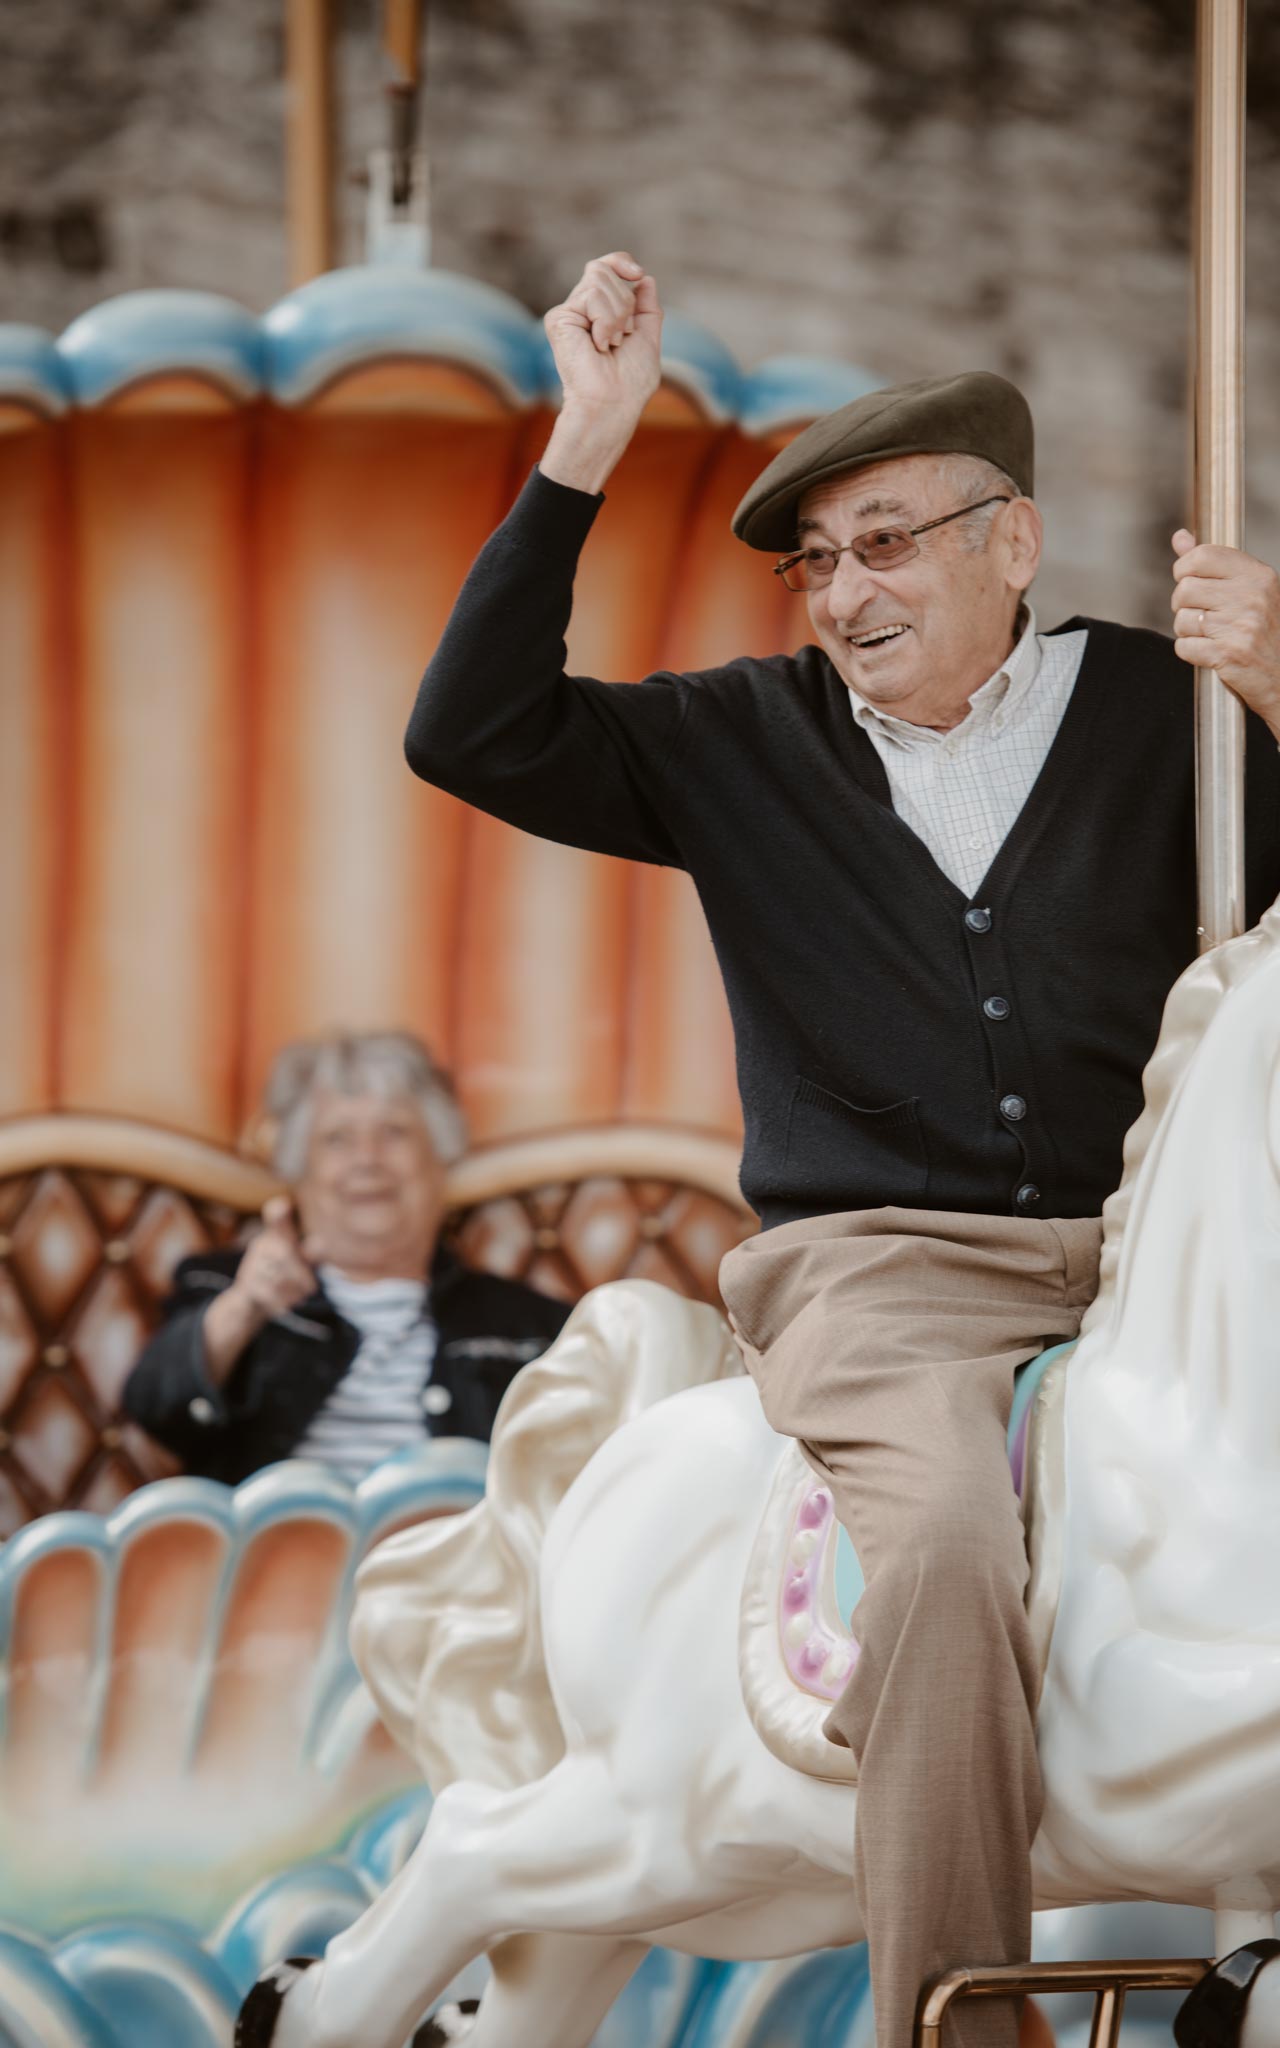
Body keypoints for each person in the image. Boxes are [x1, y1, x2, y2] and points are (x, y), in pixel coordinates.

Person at [396, 251, 1280, 2048]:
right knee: (949, 1538)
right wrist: (585, 443)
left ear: (1010, 544)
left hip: (1146, 1250)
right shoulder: (740, 738)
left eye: (889, 541)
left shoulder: (1162, 710)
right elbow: (467, 730)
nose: (843, 589)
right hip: (882, 1268)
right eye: (820, 559)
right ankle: (958, 2023)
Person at [123, 1031, 569, 1486]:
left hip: (450, 1552)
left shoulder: (531, 1329)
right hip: (276, 1549)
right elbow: (155, 1410)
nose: (367, 1159)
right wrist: (245, 1307)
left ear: (441, 1160)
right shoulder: (219, 1288)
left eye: (394, 1133)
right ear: (299, 1170)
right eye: (336, 1139)